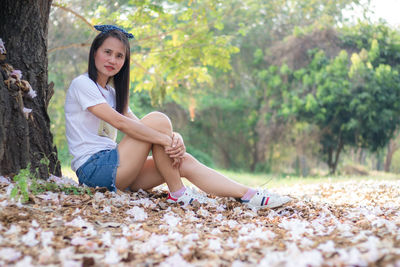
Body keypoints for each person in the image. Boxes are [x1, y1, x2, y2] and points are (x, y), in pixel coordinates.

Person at [64, 24, 291, 209]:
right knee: (159, 120)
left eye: (119, 56)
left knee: (181, 160)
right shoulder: (82, 84)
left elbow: (138, 125)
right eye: (107, 52)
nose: (112, 60)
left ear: (125, 62)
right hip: (94, 171)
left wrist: (174, 137)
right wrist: (164, 137)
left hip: (117, 168)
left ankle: (249, 194)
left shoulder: (112, 93)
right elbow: (121, 123)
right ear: (95, 52)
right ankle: (179, 193)